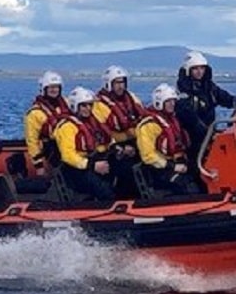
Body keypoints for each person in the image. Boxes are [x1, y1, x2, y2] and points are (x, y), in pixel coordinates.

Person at [175, 50, 236, 155]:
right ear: (188, 71)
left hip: (209, 132)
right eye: (195, 69)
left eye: (202, 68)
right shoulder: (182, 93)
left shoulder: (209, 87)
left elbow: (225, 98)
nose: (199, 72)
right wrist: (209, 134)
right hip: (192, 139)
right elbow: (191, 119)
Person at [52, 87, 116, 202]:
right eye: (83, 106)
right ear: (75, 106)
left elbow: (102, 142)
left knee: (123, 171)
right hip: (76, 170)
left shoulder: (93, 123)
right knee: (103, 190)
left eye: (90, 105)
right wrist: (92, 165)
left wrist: (115, 149)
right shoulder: (67, 127)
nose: (88, 109)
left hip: (94, 162)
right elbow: (68, 155)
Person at [136, 83, 201, 196]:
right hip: (160, 170)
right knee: (187, 187)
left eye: (173, 101)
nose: (172, 104)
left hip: (178, 162)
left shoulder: (173, 120)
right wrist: (172, 166)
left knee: (202, 176)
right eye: (168, 102)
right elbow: (148, 156)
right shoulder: (148, 125)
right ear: (160, 103)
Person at [93, 64, 144, 197]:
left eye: (122, 82)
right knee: (126, 169)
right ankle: (122, 196)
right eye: (117, 83)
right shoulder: (99, 105)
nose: (120, 86)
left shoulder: (131, 98)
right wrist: (118, 147)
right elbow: (102, 131)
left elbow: (143, 119)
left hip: (133, 142)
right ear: (109, 84)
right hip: (112, 148)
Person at [23, 70, 70, 176]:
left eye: (56, 87)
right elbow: (32, 141)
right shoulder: (34, 113)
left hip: (70, 147)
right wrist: (39, 165)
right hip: (51, 150)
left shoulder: (67, 104)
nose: (54, 90)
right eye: (51, 87)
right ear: (44, 89)